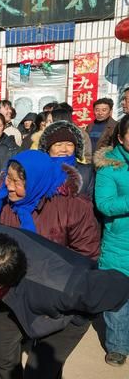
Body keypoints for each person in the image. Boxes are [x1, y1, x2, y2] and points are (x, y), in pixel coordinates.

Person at [0, 220, 129, 379]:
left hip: (66, 316)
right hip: (11, 299)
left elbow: (119, 287)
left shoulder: (67, 287)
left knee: (39, 373)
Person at [0, 150, 100, 260]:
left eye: (17, 182)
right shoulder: (0, 198)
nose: (9, 187)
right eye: (8, 178)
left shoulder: (73, 208)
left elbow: (86, 255)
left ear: (35, 183)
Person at [94, 115, 129, 367]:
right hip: (120, 243)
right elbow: (104, 205)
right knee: (118, 299)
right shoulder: (111, 166)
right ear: (120, 137)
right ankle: (117, 346)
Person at [38, 120, 95, 198]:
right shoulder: (38, 171)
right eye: (58, 145)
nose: (64, 149)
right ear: (48, 149)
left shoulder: (86, 172)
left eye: (69, 144)